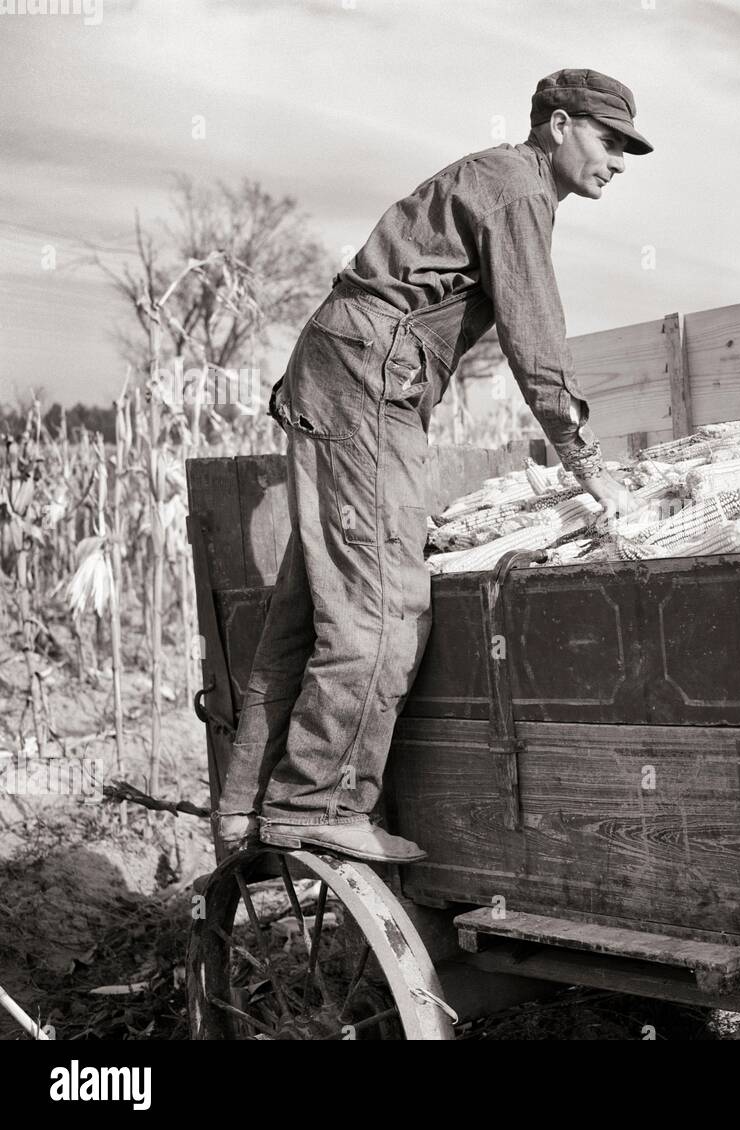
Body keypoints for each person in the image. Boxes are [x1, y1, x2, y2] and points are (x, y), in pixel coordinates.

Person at [212, 69, 652, 863]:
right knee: (386, 603)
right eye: (608, 138)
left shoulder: (492, 178)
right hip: (368, 378)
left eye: (626, 147)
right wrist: (585, 460)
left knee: (317, 600)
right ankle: (316, 801)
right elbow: (537, 336)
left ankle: (244, 803)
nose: (619, 160)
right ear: (557, 126)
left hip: (341, 366)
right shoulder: (519, 192)